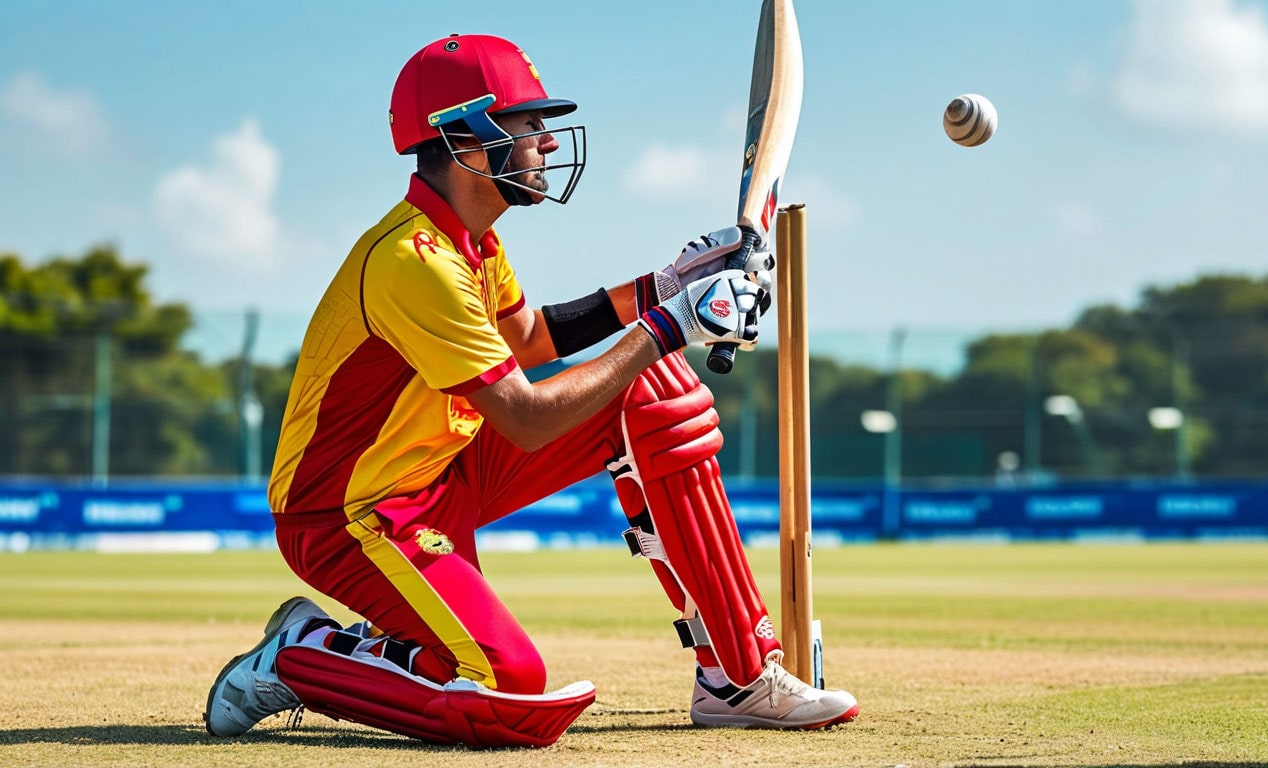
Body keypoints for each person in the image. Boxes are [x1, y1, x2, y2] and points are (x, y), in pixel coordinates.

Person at [203, 33, 858, 748]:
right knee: (505, 690)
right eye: (528, 125)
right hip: (349, 513)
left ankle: (736, 676)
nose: (546, 142)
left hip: (440, 471)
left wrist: (665, 285)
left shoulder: (472, 241)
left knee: (655, 387)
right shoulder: (412, 260)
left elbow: (529, 340)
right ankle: (298, 656)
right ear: (467, 139)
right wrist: (671, 323)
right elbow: (525, 418)